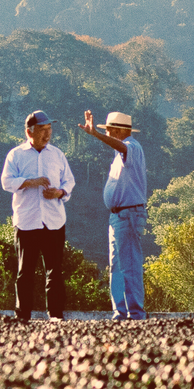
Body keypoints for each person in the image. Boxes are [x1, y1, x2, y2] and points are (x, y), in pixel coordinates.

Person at [0, 110, 75, 321]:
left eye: (49, 129)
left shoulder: (57, 154)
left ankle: (56, 316)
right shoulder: (16, 155)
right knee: (25, 272)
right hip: (27, 221)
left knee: (55, 270)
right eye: (42, 130)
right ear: (29, 132)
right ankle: (23, 315)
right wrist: (31, 182)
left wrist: (59, 192)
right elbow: (6, 182)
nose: (47, 134)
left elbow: (69, 181)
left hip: (53, 220)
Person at [78, 109, 148, 321]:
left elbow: (122, 146)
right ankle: (121, 312)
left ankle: (135, 314)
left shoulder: (132, 147)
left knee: (129, 265)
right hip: (118, 216)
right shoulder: (120, 155)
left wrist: (96, 135)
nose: (107, 134)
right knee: (117, 266)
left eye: (108, 131)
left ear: (117, 131)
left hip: (128, 214)